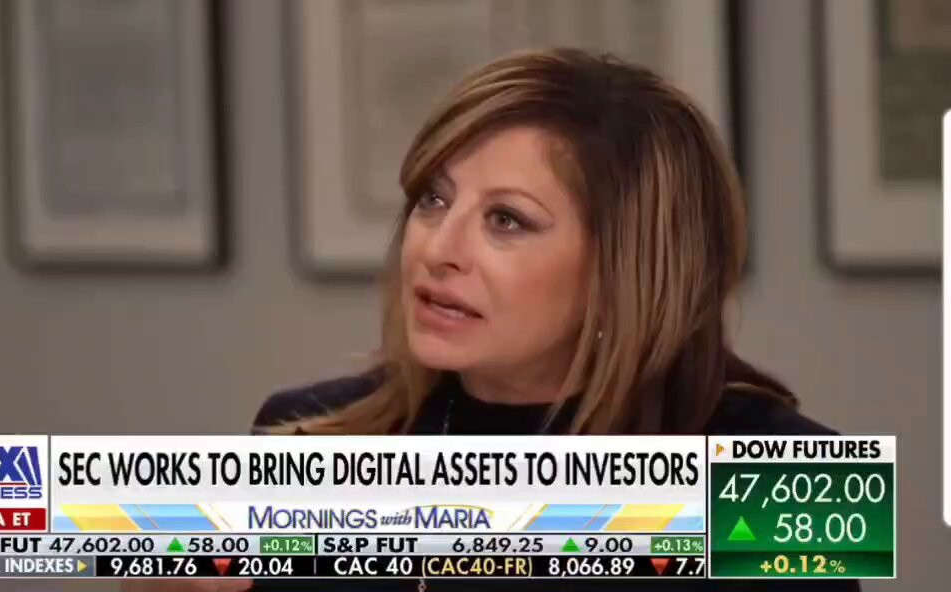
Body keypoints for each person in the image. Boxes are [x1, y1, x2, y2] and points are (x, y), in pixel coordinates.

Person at [134, 48, 860, 591]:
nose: (438, 250)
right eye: (434, 200)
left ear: (623, 271)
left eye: (507, 220)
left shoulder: (778, 481)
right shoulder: (308, 438)